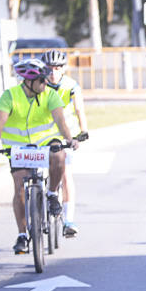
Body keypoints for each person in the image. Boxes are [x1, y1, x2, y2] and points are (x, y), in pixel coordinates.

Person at [0, 59, 80, 254]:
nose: (46, 84)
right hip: (18, 147)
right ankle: (21, 235)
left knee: (59, 156)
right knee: (19, 186)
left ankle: (52, 193)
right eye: (42, 81)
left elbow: (61, 122)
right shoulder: (9, 96)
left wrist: (70, 140)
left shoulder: (50, 95)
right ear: (29, 82)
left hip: (45, 141)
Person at [43, 49, 88, 237]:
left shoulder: (71, 86)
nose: (53, 72)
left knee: (66, 175)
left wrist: (82, 132)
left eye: (57, 68)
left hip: (65, 135)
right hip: (42, 134)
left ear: (63, 69)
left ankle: (68, 221)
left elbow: (79, 109)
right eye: (49, 68)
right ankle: (39, 208)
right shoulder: (37, 84)